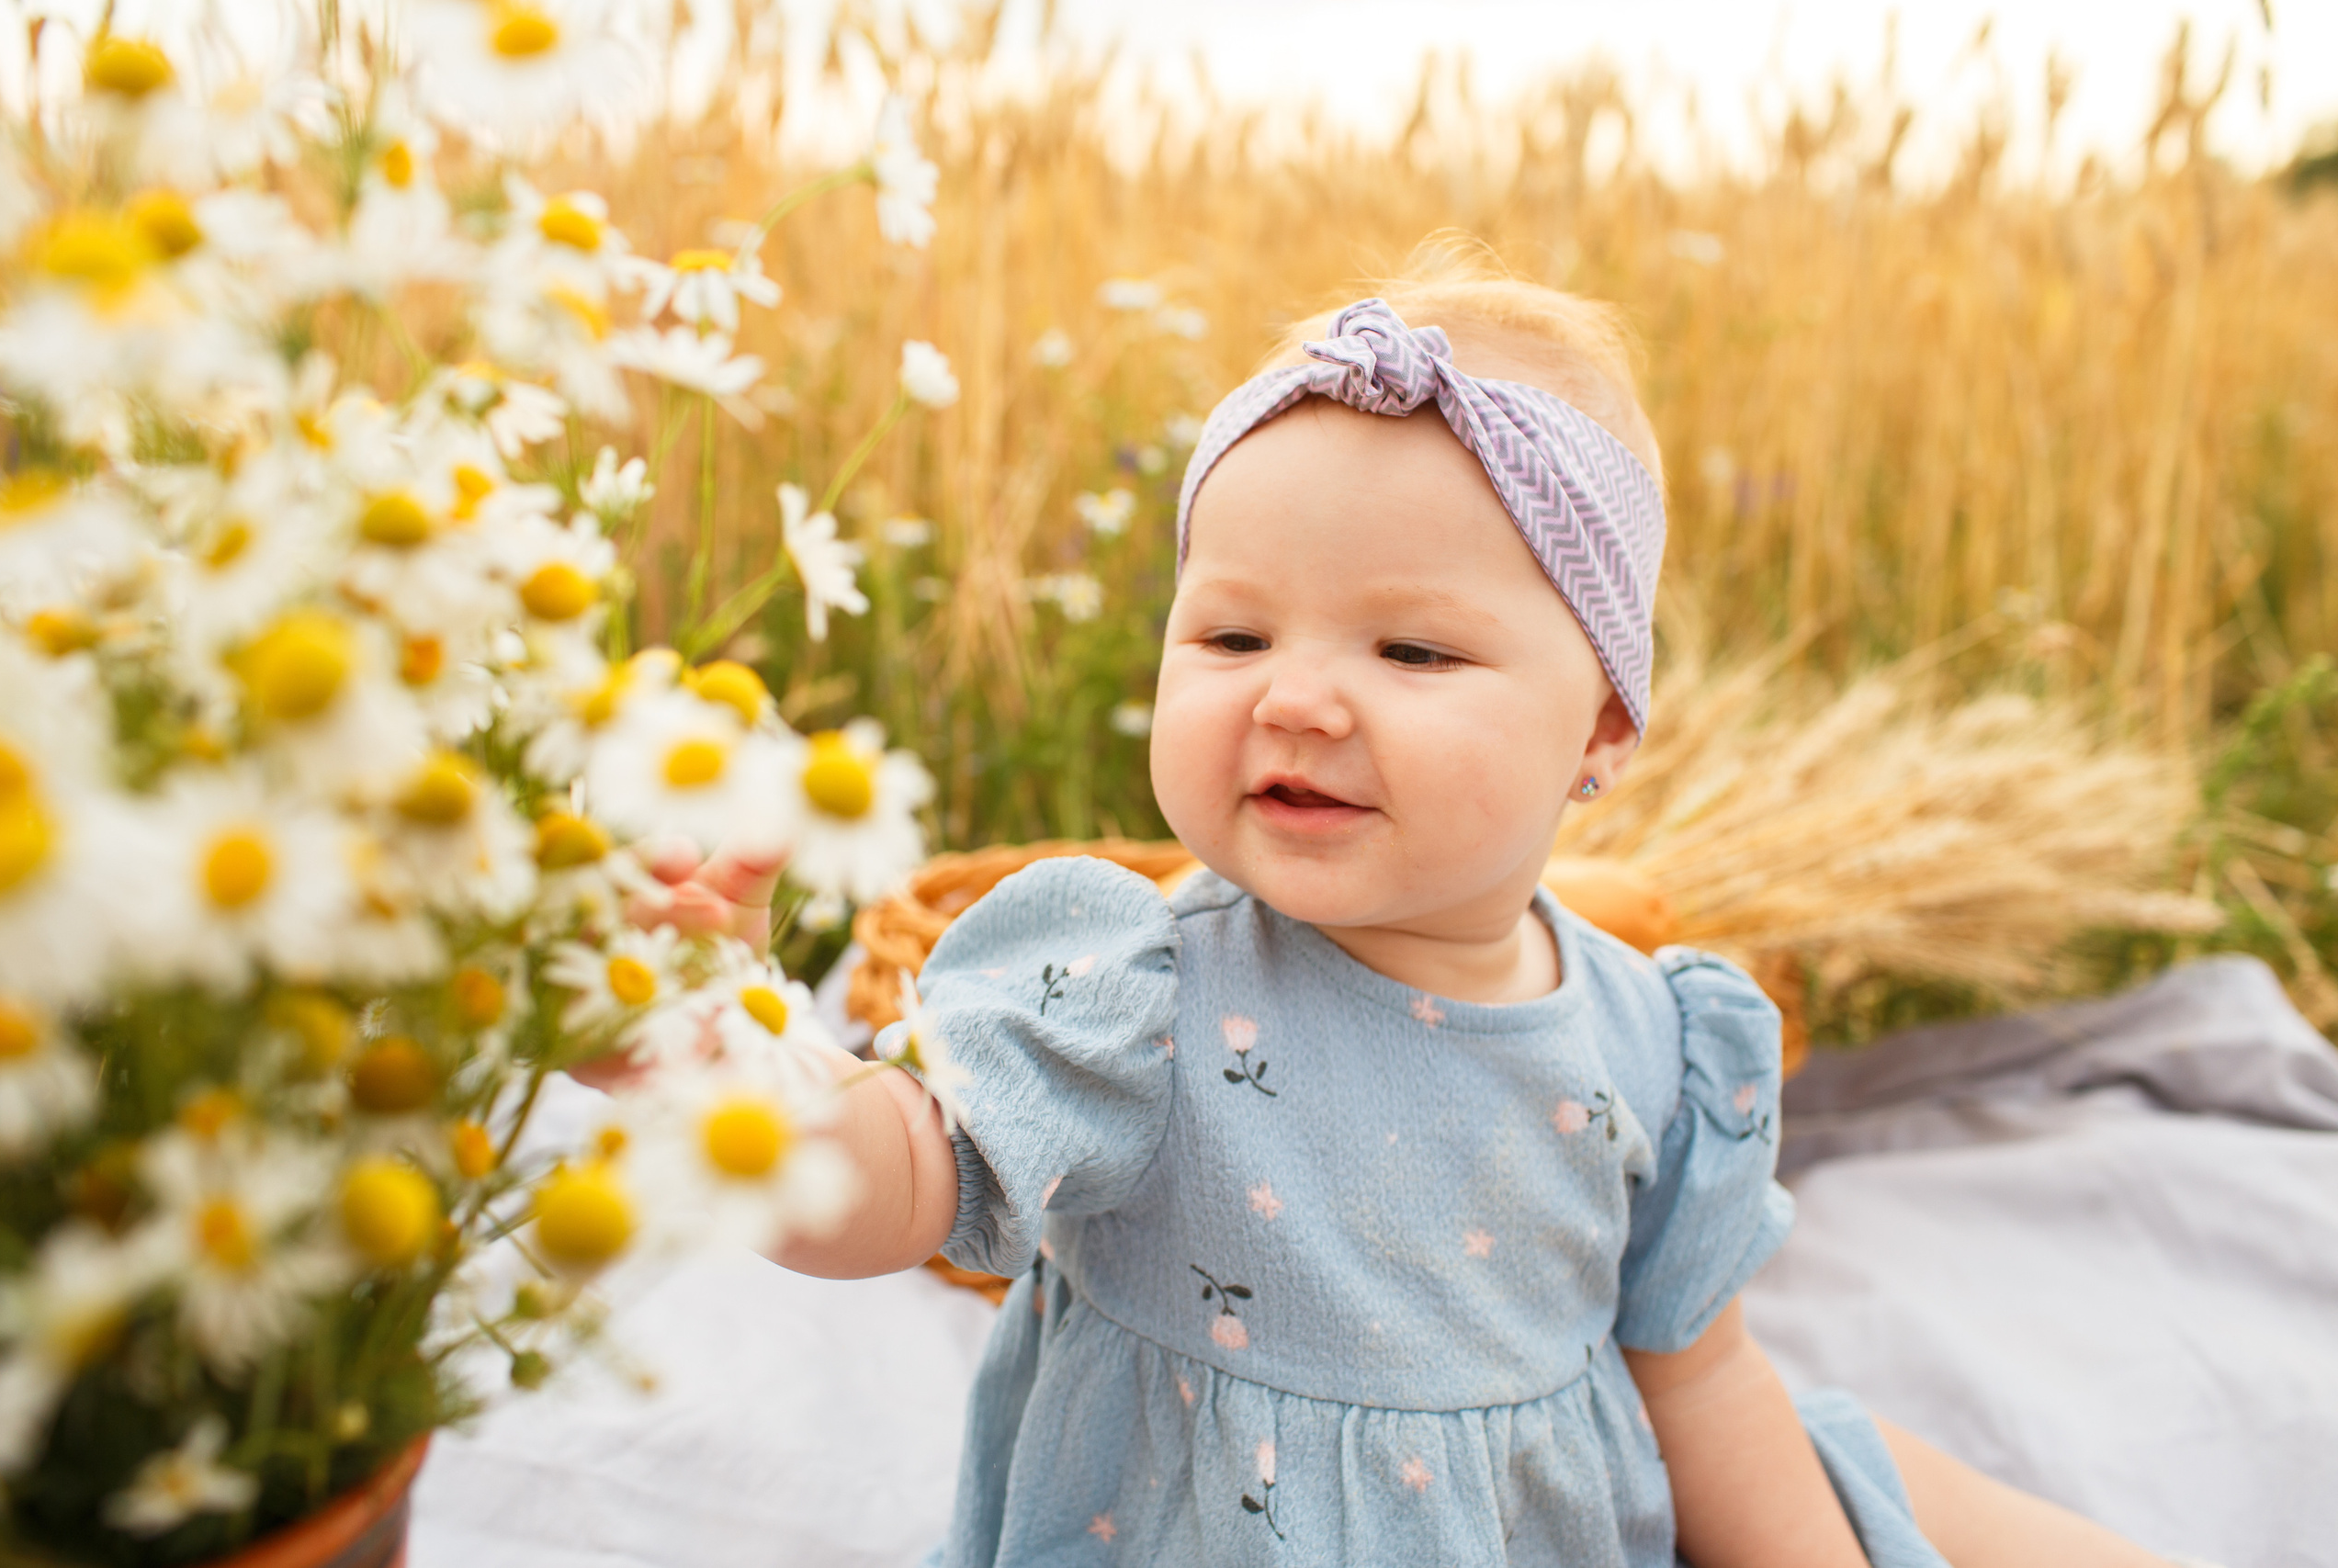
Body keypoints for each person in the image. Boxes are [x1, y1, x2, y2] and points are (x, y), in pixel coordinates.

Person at [662, 262, 2180, 1567]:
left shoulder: (1656, 1034)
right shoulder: (1135, 986)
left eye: (1413, 651)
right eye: (1234, 631)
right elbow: (907, 1182)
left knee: (1874, 1479)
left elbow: (1698, 1376)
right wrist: (748, 1073)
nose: (1300, 694)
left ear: (1599, 737)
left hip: (1551, 1518)